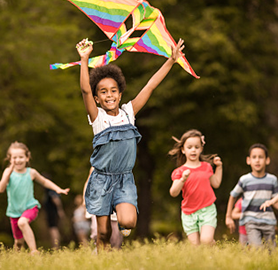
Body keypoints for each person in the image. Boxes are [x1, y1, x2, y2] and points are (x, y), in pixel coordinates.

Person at [77, 37, 185, 249]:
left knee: (128, 222)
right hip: (101, 179)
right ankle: (102, 263)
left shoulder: (128, 112)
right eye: (103, 92)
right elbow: (85, 91)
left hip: (124, 178)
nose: (109, 95)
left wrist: (171, 61)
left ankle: (120, 212)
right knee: (103, 233)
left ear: (120, 93)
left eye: (113, 90)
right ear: (98, 98)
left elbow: (150, 86)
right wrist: (84, 59)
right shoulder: (98, 118)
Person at [0, 141, 70, 254]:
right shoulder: (8, 172)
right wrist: (6, 175)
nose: (18, 160)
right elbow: (1, 189)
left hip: (30, 207)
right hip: (14, 211)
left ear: (27, 158)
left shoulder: (31, 172)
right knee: (18, 242)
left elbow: (45, 182)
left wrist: (57, 189)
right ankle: (15, 261)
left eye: (21, 157)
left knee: (22, 222)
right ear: (10, 160)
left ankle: (34, 251)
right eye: (14, 158)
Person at [225, 143, 278, 247]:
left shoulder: (272, 180)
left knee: (271, 250)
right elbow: (233, 195)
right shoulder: (244, 180)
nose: (257, 160)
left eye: (261, 157)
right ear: (248, 160)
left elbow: (275, 202)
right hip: (251, 221)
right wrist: (228, 216)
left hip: (269, 221)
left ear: (267, 160)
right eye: (254, 157)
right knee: (256, 247)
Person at [169, 129, 223, 246]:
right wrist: (182, 179)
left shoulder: (206, 167)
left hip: (207, 209)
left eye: (196, 147)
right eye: (189, 147)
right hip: (189, 213)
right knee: (195, 246)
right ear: (183, 150)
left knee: (206, 240)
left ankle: (212, 245)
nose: (193, 150)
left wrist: (219, 167)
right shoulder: (180, 171)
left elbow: (216, 183)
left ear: (201, 149)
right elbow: (173, 192)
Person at [84, 167, 123, 249]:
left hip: (114, 204)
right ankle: (99, 251)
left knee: (115, 235)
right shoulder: (95, 168)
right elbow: (88, 182)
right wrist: (84, 199)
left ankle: (115, 252)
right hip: (98, 203)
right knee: (97, 231)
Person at [42, 177, 66, 250]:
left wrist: (60, 210)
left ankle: (56, 247)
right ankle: (55, 246)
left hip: (53, 212)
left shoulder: (50, 190)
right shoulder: (49, 190)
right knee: (53, 229)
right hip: (51, 212)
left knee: (53, 229)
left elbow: (56, 200)